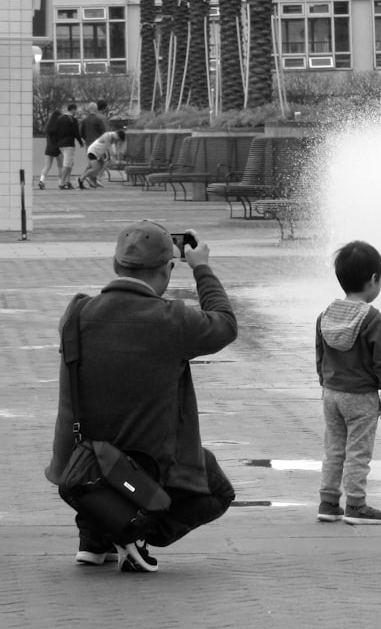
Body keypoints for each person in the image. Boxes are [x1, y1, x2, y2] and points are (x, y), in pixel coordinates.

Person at [45, 220, 238, 573]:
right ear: (166, 270)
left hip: (79, 469)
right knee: (218, 489)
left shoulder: (75, 313)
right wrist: (203, 268)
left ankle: (95, 537)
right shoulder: (172, 320)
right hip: (144, 469)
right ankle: (133, 529)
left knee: (107, 436)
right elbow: (225, 323)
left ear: (116, 264)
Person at [316, 240, 381, 525]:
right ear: (374, 280)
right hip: (360, 397)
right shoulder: (374, 319)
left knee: (334, 448)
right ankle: (356, 505)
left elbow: (320, 354)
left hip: (331, 394)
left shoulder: (326, 315)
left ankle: (327, 503)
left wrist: (325, 382)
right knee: (358, 452)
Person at [53, 103, 84, 190]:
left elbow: (55, 131)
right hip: (69, 144)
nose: (76, 112)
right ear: (73, 109)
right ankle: (62, 183)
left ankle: (67, 181)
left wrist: (57, 142)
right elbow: (76, 132)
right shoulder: (72, 119)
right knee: (67, 163)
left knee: (70, 162)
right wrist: (80, 142)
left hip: (60, 144)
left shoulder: (59, 118)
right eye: (75, 110)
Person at [39, 109, 64, 190]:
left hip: (48, 149)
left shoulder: (48, 127)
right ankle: (60, 183)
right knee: (60, 167)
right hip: (58, 149)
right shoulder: (59, 127)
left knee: (47, 166)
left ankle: (42, 181)